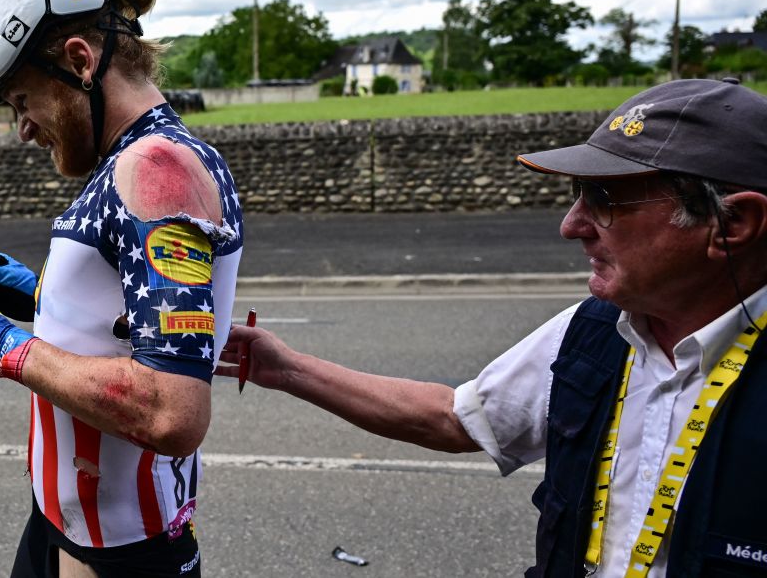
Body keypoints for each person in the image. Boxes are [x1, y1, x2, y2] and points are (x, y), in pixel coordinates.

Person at [221, 78, 767, 577]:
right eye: (577, 192)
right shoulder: (595, 332)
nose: (571, 225)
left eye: (605, 198)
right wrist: (286, 367)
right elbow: (457, 420)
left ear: (732, 224)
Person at [0, 0, 243, 578]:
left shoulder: (156, 171)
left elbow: (172, 413)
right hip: (64, 530)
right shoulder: (134, 164)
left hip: (119, 554)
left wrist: (2, 346)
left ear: (79, 61)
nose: (23, 130)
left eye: (21, 101)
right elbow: (134, 323)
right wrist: (36, 298)